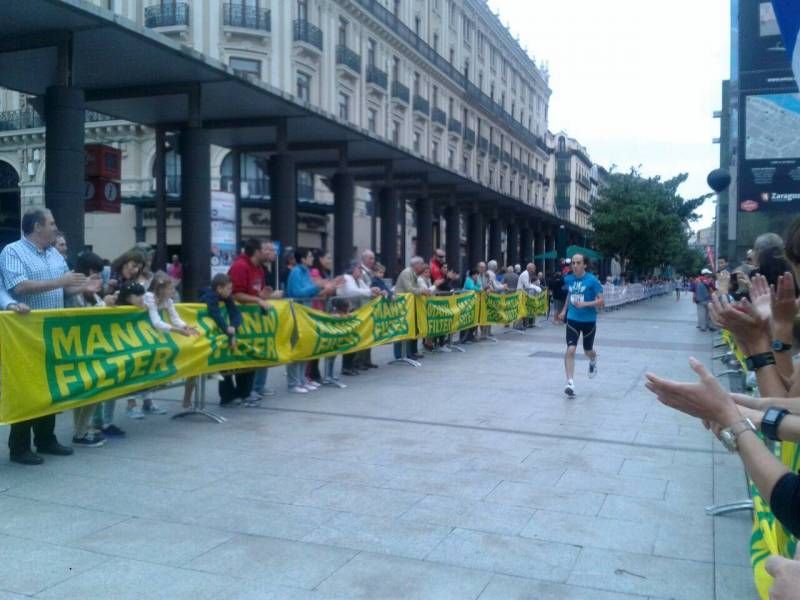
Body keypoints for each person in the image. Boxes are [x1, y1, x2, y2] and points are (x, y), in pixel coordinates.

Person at [0, 208, 101, 465]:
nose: (55, 228)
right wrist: (60, 282)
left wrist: (83, 287)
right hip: (24, 334)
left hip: (52, 332)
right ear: (36, 226)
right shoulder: (13, 252)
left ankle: (46, 438)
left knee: (49, 386)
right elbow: (19, 286)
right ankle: (19, 446)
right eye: (52, 223)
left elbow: (64, 288)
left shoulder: (54, 253)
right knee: (26, 388)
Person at [68, 251, 110, 447]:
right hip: (77, 346)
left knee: (89, 391)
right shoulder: (72, 287)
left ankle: (81, 430)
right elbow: (81, 313)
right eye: (96, 273)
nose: (99, 278)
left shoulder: (91, 291)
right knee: (86, 391)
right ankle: (80, 432)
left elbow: (100, 307)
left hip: (91, 346)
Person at [141, 271, 199, 411]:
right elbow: (156, 322)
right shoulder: (149, 297)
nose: (173, 291)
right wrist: (178, 331)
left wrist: (185, 326)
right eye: (170, 288)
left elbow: (174, 317)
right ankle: (142, 398)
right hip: (142, 330)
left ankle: (149, 397)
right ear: (160, 289)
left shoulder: (168, 300)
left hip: (152, 332)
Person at [286, 248, 339, 392]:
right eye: (309, 256)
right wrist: (318, 286)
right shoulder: (296, 272)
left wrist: (321, 286)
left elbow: (311, 290)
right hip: (296, 312)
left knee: (305, 346)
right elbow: (298, 292)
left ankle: (303, 379)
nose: (311, 258)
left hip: (306, 313)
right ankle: (293, 382)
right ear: (302, 259)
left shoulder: (306, 272)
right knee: (296, 347)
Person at [227, 238, 272, 407]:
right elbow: (236, 294)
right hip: (236, 319)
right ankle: (234, 395)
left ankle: (247, 391)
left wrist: (264, 296)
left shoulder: (259, 268)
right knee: (237, 357)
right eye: (265, 249)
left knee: (250, 355)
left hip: (251, 322)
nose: (268, 253)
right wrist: (258, 300)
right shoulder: (240, 266)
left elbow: (254, 292)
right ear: (257, 251)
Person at [555, 253, 604, 397]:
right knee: (571, 349)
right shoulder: (569, 279)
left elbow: (601, 302)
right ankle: (570, 382)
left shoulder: (592, 280)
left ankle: (593, 359)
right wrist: (564, 310)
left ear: (585, 265)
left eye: (578, 263)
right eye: (573, 263)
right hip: (573, 319)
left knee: (588, 350)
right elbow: (570, 295)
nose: (575, 266)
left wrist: (585, 304)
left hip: (589, 321)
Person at [201, 273, 245, 406]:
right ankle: (189, 401)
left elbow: (236, 313)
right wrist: (228, 330)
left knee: (226, 363)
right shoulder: (209, 297)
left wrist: (233, 327)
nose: (231, 292)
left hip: (220, 334)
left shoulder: (226, 297)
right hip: (204, 335)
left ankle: (229, 396)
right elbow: (216, 315)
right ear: (219, 289)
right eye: (228, 289)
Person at [394, 256, 432, 359]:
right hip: (402, 305)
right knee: (402, 328)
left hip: (409, 305)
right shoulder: (407, 272)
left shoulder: (413, 273)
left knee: (412, 328)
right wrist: (422, 291)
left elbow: (415, 288)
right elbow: (409, 289)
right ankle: (400, 355)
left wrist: (423, 290)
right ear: (416, 265)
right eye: (421, 264)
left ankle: (411, 352)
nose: (423, 266)